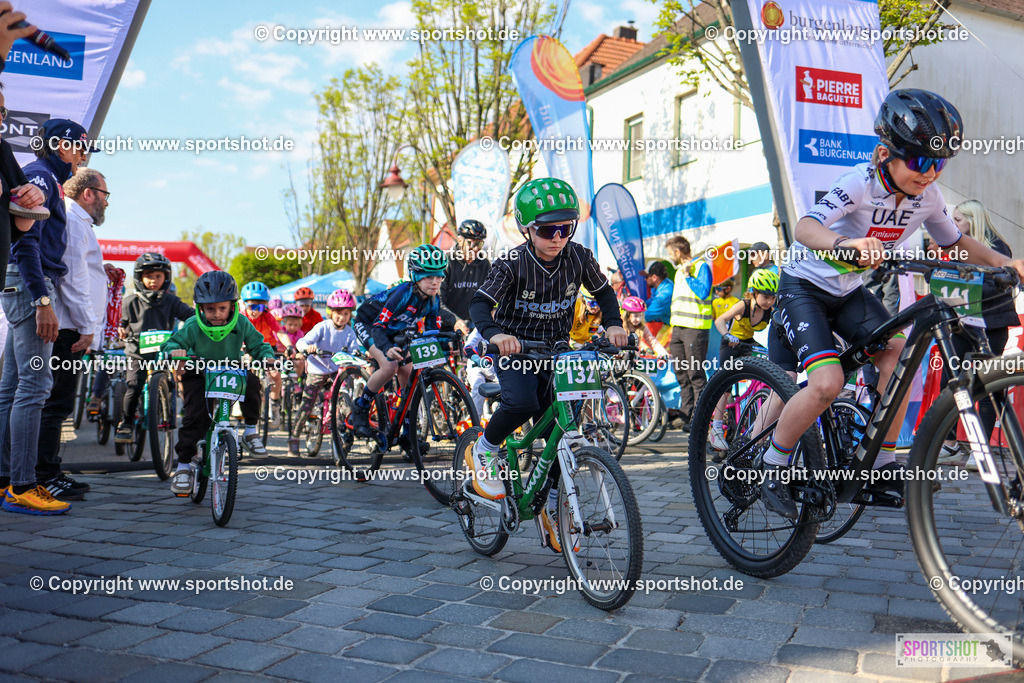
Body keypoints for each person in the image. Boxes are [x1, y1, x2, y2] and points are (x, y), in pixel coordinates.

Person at [763, 89, 1024, 521]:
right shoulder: (858, 184)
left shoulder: (929, 197)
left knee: (899, 357)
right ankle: (771, 467)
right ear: (885, 154)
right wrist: (845, 244)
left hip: (848, 292)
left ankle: (881, 463)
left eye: (939, 164)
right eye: (921, 162)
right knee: (826, 385)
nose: (930, 174)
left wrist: (1006, 262)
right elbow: (806, 228)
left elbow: (955, 241)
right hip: (804, 286)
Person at [468, 177, 626, 554]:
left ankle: (552, 503)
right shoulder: (511, 263)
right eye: (546, 230)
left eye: (565, 228)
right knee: (521, 403)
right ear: (527, 228)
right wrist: (495, 335)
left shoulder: (579, 257)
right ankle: (485, 449)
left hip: (557, 352)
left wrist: (615, 324)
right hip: (514, 351)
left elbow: (603, 292)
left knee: (563, 428)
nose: (557, 237)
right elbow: (478, 304)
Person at [0, 119, 89, 515]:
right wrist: (41, 299)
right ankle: (22, 485)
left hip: (21, 285)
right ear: (57, 144)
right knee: (34, 388)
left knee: (12, 388)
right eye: (80, 146)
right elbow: (26, 244)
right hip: (30, 285)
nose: (85, 154)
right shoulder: (41, 177)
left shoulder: (44, 178)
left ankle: (7, 482)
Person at [164, 272, 275, 494]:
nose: (216, 314)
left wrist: (267, 356)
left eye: (222, 308)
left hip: (230, 370)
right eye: (210, 309)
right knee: (195, 417)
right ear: (200, 308)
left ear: (232, 306)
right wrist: (175, 351)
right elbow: (173, 343)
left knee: (253, 383)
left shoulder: (242, 323)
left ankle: (250, 431)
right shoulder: (193, 324)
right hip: (198, 372)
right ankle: (184, 466)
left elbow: (258, 344)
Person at [34, 168, 108, 501]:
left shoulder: (78, 222)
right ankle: (45, 475)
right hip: (69, 329)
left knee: (56, 403)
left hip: (71, 327)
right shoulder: (75, 223)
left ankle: (49, 471)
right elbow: (73, 279)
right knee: (56, 404)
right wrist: (88, 327)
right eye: (106, 194)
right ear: (89, 193)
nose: (107, 202)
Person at [937, 199, 1016, 464]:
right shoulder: (953, 247)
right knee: (950, 382)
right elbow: (934, 278)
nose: (952, 225)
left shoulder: (996, 248)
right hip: (959, 325)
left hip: (991, 326)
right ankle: (948, 445)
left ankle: (980, 451)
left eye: (957, 220)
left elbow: (999, 288)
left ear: (973, 220)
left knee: (986, 385)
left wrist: (961, 282)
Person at [348, 245, 457, 437]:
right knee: (389, 367)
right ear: (415, 276)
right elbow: (378, 327)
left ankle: (407, 428)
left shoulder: (433, 300)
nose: (435, 282)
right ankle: (361, 407)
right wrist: (387, 348)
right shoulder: (403, 294)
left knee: (408, 371)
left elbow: (432, 332)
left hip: (394, 330)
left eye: (439, 276)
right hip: (370, 324)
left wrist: (446, 345)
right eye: (429, 277)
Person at [115, 253, 193, 444]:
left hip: (163, 354)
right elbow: (120, 322)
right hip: (137, 353)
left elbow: (190, 316)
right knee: (134, 386)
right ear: (140, 277)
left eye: (159, 276)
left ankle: (168, 412)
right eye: (149, 275)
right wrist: (121, 329)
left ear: (166, 277)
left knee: (175, 380)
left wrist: (202, 322)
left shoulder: (171, 301)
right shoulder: (130, 301)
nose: (154, 281)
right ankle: (126, 422)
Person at [709, 269, 778, 452]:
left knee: (768, 371)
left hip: (749, 344)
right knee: (725, 386)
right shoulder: (743, 305)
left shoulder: (770, 310)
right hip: (732, 344)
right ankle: (716, 427)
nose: (770, 301)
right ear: (754, 293)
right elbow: (720, 321)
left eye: (773, 297)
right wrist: (727, 335)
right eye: (766, 297)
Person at [293, 289, 360, 455]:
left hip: (338, 371)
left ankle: (344, 431)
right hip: (318, 369)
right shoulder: (322, 327)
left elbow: (355, 350)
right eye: (337, 313)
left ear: (350, 314)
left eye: (346, 313)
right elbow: (303, 341)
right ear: (330, 312)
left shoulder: (350, 332)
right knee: (307, 404)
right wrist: (307, 347)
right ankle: (294, 438)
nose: (341, 317)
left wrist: (361, 354)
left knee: (345, 401)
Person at [0, 81, 47, 289]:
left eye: (3, 110)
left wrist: (31, 200)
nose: (2, 117)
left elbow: (14, 231)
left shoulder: (2, 148)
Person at [666, 235, 713, 431]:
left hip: (695, 328)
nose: (670, 257)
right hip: (677, 329)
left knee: (695, 374)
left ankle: (699, 418)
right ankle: (686, 414)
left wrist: (688, 276)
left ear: (678, 252)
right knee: (681, 373)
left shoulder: (701, 267)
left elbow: (703, 292)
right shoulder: (678, 273)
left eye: (670, 253)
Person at [240, 281, 291, 431]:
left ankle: (275, 403)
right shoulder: (240, 316)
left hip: (268, 348)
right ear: (244, 304)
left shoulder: (268, 316)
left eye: (260, 307)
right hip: (246, 349)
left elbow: (280, 332)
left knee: (275, 373)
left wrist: (289, 347)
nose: (256, 311)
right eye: (252, 306)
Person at [441, 219, 491, 329]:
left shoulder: (484, 264)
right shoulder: (447, 262)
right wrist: (455, 321)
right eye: (470, 243)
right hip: (448, 324)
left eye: (479, 243)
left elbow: (488, 297)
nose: (476, 248)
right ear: (459, 240)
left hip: (474, 324)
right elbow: (437, 301)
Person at [642, 261, 673, 325]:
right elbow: (650, 302)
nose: (645, 279)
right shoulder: (664, 286)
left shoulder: (664, 294)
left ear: (654, 278)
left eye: (646, 277)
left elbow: (647, 316)